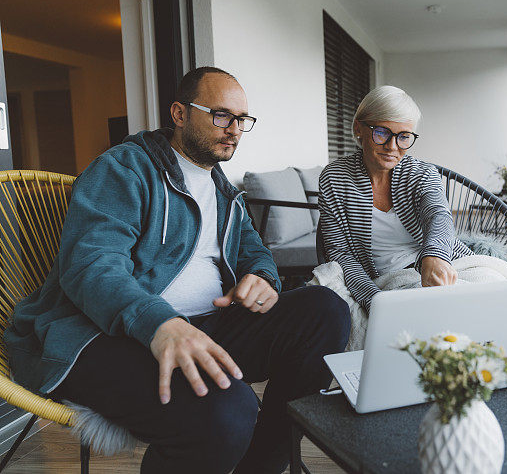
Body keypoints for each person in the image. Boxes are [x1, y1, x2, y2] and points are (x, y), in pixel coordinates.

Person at [4, 66, 350, 474]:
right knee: (227, 407)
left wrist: (263, 277)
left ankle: (258, 466)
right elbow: (92, 267)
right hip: (104, 335)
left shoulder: (224, 191)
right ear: (180, 113)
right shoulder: (124, 169)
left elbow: (254, 250)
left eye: (241, 120)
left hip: (205, 324)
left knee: (326, 309)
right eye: (221, 115)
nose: (234, 129)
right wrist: (160, 323)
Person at [318, 85, 473, 312]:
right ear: (358, 128)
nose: (392, 147)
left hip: (444, 263)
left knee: (491, 291)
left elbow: (438, 215)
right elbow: (340, 252)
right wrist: (375, 300)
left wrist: (434, 256)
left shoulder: (422, 173)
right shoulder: (335, 178)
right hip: (386, 279)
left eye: (404, 137)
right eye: (381, 132)